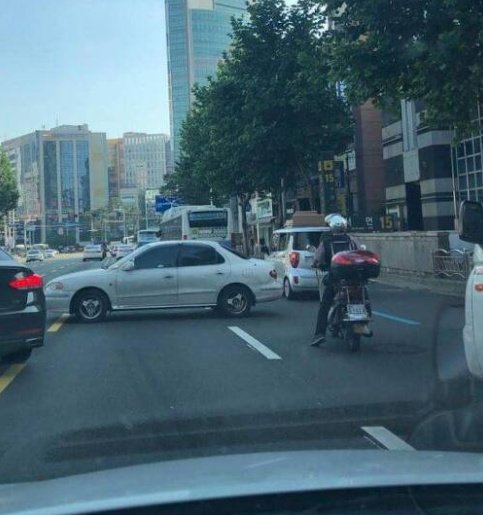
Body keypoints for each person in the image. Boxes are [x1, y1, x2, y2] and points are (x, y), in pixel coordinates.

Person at [311, 214, 359, 347]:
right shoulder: (351, 240)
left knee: (325, 304)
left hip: (335, 278)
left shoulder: (326, 242)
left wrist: (316, 264)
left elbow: (317, 258)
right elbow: (360, 252)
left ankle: (319, 334)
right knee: (362, 294)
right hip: (353, 277)